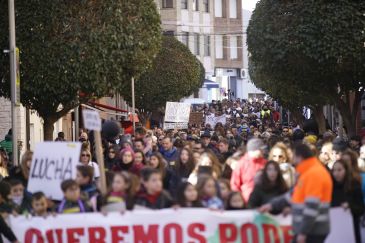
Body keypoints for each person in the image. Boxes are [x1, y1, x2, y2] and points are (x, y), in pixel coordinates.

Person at [261, 144, 333, 243]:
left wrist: (303, 233)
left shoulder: (314, 174)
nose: (293, 160)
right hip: (311, 229)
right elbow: (293, 195)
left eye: (293, 156)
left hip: (313, 230)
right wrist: (272, 205)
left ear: (299, 157)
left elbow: (312, 207)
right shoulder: (308, 172)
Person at [331, 160, 364, 243]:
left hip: (352, 228)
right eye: (334, 170)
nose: (336, 173)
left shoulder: (354, 185)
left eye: (339, 170)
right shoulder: (332, 187)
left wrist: (350, 206)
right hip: (336, 229)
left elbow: (361, 208)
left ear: (346, 170)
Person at [230, 138, 267, 203]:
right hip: (246, 201)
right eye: (261, 149)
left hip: (263, 201)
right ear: (254, 150)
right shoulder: (241, 164)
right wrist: (238, 200)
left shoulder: (265, 163)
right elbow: (235, 184)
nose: (263, 151)